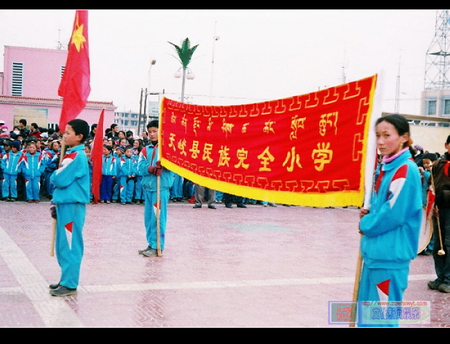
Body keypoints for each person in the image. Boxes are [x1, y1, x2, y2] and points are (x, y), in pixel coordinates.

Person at [358, 114, 422, 327]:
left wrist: (366, 224)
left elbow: (393, 214)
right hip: (376, 255)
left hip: (390, 256)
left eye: (387, 135)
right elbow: (383, 207)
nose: (381, 141)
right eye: (377, 136)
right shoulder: (387, 167)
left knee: (382, 321)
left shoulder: (405, 169)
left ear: (404, 137)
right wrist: (369, 212)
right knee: (369, 319)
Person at [48, 119, 90, 297]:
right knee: (63, 244)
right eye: (64, 132)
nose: (64, 136)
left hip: (72, 205)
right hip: (65, 204)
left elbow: (59, 180)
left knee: (71, 244)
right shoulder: (71, 155)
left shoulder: (76, 156)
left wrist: (55, 174)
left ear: (79, 137)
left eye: (68, 133)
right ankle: (65, 278)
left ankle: (70, 283)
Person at [137, 120, 174, 257]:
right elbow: (139, 167)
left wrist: (165, 165)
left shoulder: (167, 148)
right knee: (148, 218)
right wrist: (151, 169)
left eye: (155, 131)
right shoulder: (145, 150)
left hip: (161, 188)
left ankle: (158, 246)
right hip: (148, 187)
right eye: (150, 132)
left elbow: (174, 166)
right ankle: (151, 243)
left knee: (158, 218)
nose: (152, 134)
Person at [428, 135, 450, 293]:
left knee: (449, 244)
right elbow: (432, 187)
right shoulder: (437, 164)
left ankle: (448, 279)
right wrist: (433, 204)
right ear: (446, 145)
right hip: (439, 210)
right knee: (438, 244)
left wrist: (443, 196)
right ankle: (440, 276)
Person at [419, 153, 437, 256]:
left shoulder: (432, 173)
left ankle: (430, 247)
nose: (425, 165)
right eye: (424, 163)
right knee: (425, 225)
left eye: (427, 163)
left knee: (432, 226)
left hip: (431, 202)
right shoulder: (425, 173)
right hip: (424, 201)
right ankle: (424, 246)